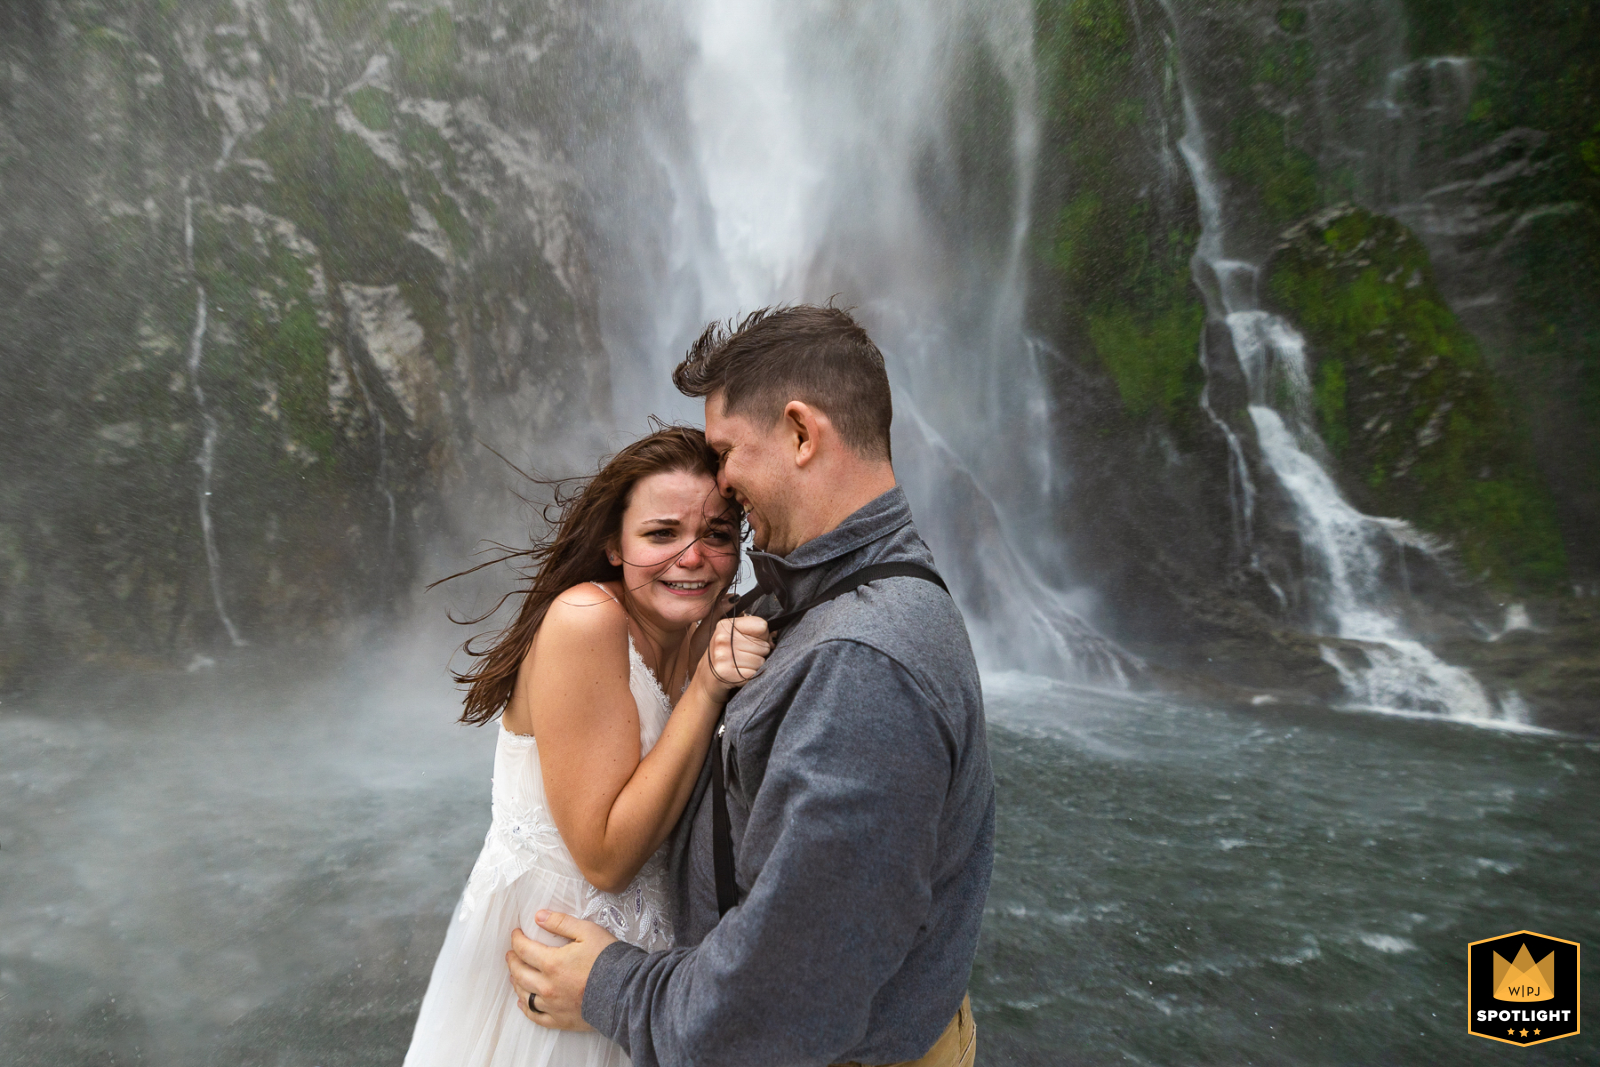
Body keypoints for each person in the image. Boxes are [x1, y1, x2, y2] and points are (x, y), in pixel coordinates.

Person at [506, 305, 995, 1067]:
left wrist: (609, 984)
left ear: (802, 433)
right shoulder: (815, 599)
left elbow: (784, 1002)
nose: (723, 485)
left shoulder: (863, 666)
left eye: (728, 451)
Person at [404, 426, 773, 1067]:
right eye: (661, 534)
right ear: (612, 544)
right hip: (551, 965)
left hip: (633, 974)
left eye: (715, 535)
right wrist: (708, 687)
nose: (692, 557)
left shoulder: (710, 621)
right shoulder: (587, 618)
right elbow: (605, 858)